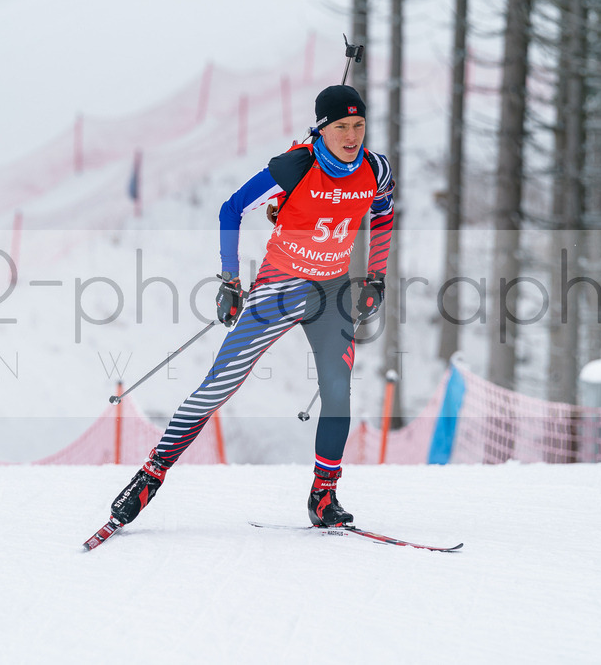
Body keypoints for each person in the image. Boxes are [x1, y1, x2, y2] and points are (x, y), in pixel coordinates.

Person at [108, 85, 395, 528]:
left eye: (359, 125)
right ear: (323, 128)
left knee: (338, 394)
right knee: (218, 386)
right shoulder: (296, 164)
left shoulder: (375, 169)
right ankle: (151, 474)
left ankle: (324, 496)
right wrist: (230, 279)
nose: (352, 135)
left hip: (331, 293)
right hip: (279, 287)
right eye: (341, 126)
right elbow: (232, 209)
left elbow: (382, 213)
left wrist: (375, 274)